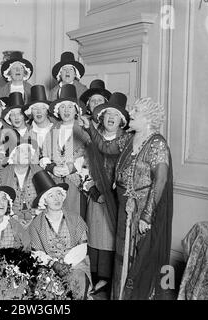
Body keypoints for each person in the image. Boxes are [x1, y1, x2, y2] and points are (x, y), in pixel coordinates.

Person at [80, 97, 173, 300]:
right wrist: (89, 128)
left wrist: (147, 216)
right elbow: (106, 147)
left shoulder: (157, 144)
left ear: (148, 118)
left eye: (136, 110)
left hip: (143, 211)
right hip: (125, 208)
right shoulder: (129, 138)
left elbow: (160, 180)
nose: (130, 112)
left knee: (141, 258)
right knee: (123, 256)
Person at [85, 92, 129, 295]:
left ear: (122, 121)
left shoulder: (126, 141)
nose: (111, 118)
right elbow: (84, 166)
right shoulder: (92, 139)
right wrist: (93, 191)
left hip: (117, 199)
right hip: (95, 196)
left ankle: (108, 279)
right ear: (101, 117)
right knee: (95, 235)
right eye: (108, 114)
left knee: (111, 237)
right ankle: (94, 277)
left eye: (116, 115)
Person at [28, 170, 92, 300]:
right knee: (44, 285)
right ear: (44, 201)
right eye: (51, 196)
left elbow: (83, 246)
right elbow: (36, 253)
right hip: (47, 267)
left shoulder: (75, 219)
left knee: (77, 280)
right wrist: (53, 264)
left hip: (75, 265)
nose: (57, 198)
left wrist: (68, 264)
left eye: (58, 194)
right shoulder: (36, 224)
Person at [41, 84, 89, 218]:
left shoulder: (84, 132)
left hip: (75, 184)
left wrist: (72, 168)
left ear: (76, 110)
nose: (66, 110)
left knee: (73, 218)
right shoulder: (52, 129)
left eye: (70, 107)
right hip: (54, 184)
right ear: (58, 111)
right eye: (63, 107)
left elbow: (89, 158)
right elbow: (44, 156)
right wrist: (51, 167)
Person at [0, 138, 42, 229]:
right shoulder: (2, 174)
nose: (26, 154)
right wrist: (14, 217)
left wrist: (34, 218)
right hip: (11, 218)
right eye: (21, 151)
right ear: (13, 155)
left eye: (28, 151)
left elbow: (47, 198)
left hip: (37, 217)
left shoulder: (39, 171)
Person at [25, 85, 55, 158]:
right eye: (35, 108)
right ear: (31, 112)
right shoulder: (25, 133)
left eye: (43, 108)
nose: (39, 111)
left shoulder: (57, 128)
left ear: (47, 111)